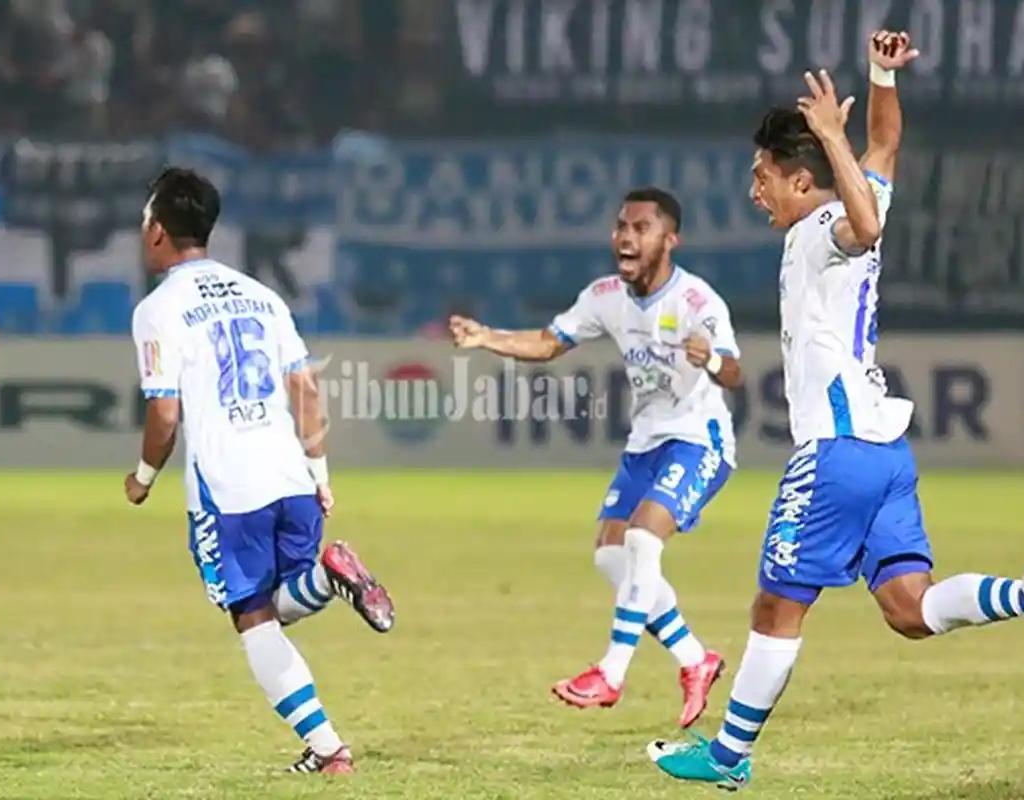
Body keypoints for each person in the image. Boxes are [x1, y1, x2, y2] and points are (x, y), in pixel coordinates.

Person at [645, 32, 1024, 792]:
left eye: (762, 176)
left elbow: (867, 222)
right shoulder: (850, 204)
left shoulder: (822, 229)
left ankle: (727, 756)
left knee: (776, 605)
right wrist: (882, 74)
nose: (754, 191)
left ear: (800, 179)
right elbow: (883, 146)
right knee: (909, 609)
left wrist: (828, 134)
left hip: (837, 449)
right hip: (883, 450)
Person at [124, 167, 395, 774]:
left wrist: (142, 477)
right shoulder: (262, 295)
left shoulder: (158, 309)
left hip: (230, 488)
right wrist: (319, 473)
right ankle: (328, 576)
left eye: (145, 221)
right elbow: (305, 388)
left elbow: (164, 412)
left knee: (252, 617)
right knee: (281, 605)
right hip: (290, 476)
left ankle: (328, 749)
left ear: (158, 230)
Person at [450, 187, 742, 728]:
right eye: (621, 227)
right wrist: (487, 337)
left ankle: (612, 672)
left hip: (699, 439)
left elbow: (735, 372)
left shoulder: (697, 301)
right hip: (645, 442)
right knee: (611, 556)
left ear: (670, 240)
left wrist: (711, 360)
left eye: (641, 228)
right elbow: (548, 343)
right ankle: (694, 659)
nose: (626, 237)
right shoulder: (605, 295)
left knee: (642, 539)